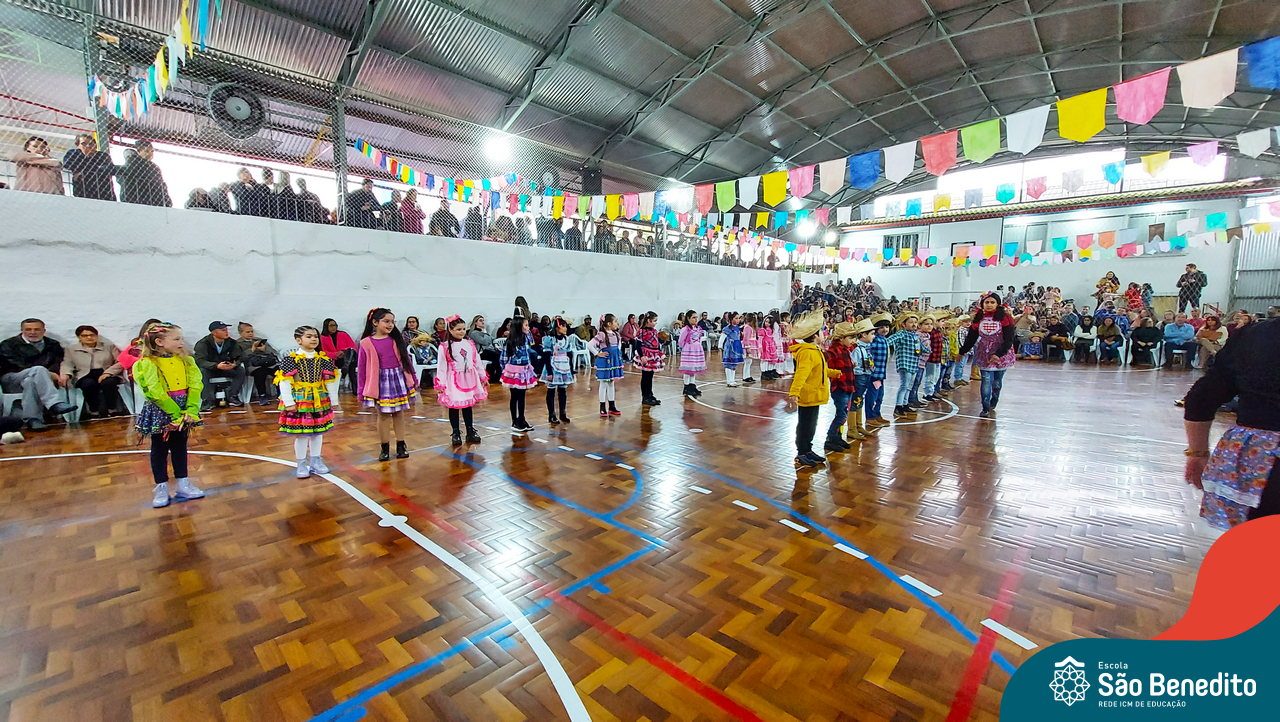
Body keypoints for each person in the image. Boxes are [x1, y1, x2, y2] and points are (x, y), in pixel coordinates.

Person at [1183, 317, 1279, 529]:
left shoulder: (1256, 335)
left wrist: (1198, 453)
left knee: (1262, 540)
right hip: (1265, 462)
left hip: (1264, 465)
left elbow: (1201, 398)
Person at [132, 323, 205, 508]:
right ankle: (161, 487)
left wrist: (191, 409)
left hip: (184, 408)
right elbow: (154, 391)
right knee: (159, 448)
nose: (182, 342)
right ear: (159, 342)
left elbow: (195, 384)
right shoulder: (147, 363)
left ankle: (183, 483)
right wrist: (175, 413)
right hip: (162, 408)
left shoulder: (187, 361)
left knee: (180, 446)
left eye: (182, 338)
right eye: (176, 339)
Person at [277, 326, 340, 478]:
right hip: (301, 400)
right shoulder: (291, 360)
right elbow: (284, 382)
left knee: (317, 433)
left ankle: (316, 461)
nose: (313, 339)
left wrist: (333, 399)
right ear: (298, 340)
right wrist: (289, 402)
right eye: (309, 336)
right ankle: (301, 463)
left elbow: (329, 381)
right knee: (302, 434)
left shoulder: (324, 359)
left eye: (315, 336)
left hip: (318, 399)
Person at [358, 308, 417, 462]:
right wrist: (361, 389)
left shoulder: (396, 340)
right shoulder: (366, 343)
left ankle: (401, 445)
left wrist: (413, 378)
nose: (390, 324)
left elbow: (406, 360)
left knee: (398, 413)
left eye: (392, 321)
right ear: (375, 322)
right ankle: (384, 447)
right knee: (383, 415)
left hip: (397, 378)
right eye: (386, 321)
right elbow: (362, 367)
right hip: (380, 381)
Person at [784, 311, 839, 469]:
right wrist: (794, 393)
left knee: (812, 425)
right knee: (805, 425)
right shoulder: (808, 353)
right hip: (808, 395)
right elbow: (801, 374)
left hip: (815, 395)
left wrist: (834, 373)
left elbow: (820, 370)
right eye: (821, 332)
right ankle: (801, 453)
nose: (823, 334)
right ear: (815, 335)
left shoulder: (815, 351)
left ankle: (808, 449)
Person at [0, 319, 76, 430]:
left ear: (43, 331)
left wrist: (55, 373)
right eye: (28, 329)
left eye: (36, 329)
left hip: (40, 380)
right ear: (22, 330)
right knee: (38, 370)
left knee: (30, 382)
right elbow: (15, 364)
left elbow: (57, 361)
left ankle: (33, 420)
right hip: (12, 378)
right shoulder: (8, 344)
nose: (32, 332)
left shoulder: (52, 344)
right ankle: (54, 403)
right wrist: (48, 373)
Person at [957, 292, 1017, 418]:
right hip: (984, 353)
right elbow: (971, 338)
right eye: (987, 302)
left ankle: (994, 401)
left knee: (997, 382)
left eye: (992, 302)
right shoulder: (978, 318)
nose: (989, 305)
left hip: (1002, 353)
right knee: (985, 380)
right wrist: (962, 352)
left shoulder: (1005, 318)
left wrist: (999, 354)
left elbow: (1009, 338)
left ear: (997, 304)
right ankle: (985, 406)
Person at [435, 314, 487, 445]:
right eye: (458, 329)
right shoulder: (445, 346)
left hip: (469, 378)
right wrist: (440, 384)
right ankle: (456, 432)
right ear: (450, 330)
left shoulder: (469, 343)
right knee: (454, 407)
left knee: (467, 406)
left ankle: (470, 430)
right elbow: (441, 367)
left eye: (463, 329)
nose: (462, 332)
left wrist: (482, 376)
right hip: (453, 381)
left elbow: (476, 361)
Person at [60, 325, 126, 419]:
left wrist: (108, 373)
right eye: (84, 336)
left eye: (92, 335)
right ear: (79, 337)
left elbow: (120, 362)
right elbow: (67, 363)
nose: (89, 337)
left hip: (106, 372)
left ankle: (112, 409)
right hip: (84, 374)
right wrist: (65, 374)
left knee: (109, 383)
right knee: (88, 384)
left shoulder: (109, 347)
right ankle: (94, 411)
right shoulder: (71, 350)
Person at [498, 310, 538, 432]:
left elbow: (530, 347)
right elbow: (503, 358)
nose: (528, 327)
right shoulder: (510, 341)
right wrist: (505, 371)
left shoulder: (526, 338)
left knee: (522, 397)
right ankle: (514, 421)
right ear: (519, 326)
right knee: (515, 396)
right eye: (526, 325)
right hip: (513, 372)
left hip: (524, 370)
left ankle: (522, 419)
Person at [193, 321, 246, 411]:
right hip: (211, 369)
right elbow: (200, 361)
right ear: (214, 333)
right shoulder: (203, 344)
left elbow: (240, 356)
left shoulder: (232, 342)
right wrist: (216, 365)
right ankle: (207, 400)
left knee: (240, 370)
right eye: (223, 330)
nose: (226, 332)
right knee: (202, 372)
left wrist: (234, 364)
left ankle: (233, 396)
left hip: (227, 368)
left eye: (226, 329)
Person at [823, 321, 858, 452]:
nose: (852, 341)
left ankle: (837, 437)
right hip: (840, 387)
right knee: (841, 415)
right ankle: (830, 438)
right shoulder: (835, 350)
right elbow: (826, 356)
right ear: (841, 338)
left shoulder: (845, 349)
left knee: (843, 413)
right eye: (850, 338)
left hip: (848, 386)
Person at [886, 312, 924, 419]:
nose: (914, 324)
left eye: (915, 322)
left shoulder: (915, 336)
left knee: (909, 386)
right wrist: (882, 344)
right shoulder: (901, 334)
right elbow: (890, 340)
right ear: (903, 324)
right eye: (911, 322)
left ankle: (905, 403)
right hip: (904, 363)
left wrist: (928, 351)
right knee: (904, 385)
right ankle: (898, 406)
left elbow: (921, 347)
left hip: (913, 363)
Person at [588, 314, 626, 418]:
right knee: (603, 384)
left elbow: (618, 346)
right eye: (615, 322)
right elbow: (589, 345)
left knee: (611, 383)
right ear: (609, 324)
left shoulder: (616, 334)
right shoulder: (601, 335)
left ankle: (612, 406)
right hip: (605, 362)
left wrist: (616, 354)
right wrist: (597, 353)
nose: (617, 324)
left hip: (613, 361)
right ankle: (602, 407)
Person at [62, 133, 117, 200]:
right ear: (78, 145)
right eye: (84, 144)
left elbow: (110, 169)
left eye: (91, 144)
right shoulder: (73, 153)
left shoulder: (102, 156)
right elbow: (68, 164)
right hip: (82, 193)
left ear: (95, 146)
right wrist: (96, 167)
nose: (88, 146)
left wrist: (83, 171)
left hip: (105, 193)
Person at [541, 317, 575, 424]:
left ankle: (563, 413)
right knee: (551, 391)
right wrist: (549, 372)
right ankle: (551, 415)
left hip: (564, 366)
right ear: (557, 327)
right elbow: (546, 356)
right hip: (553, 366)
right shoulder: (550, 340)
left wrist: (571, 369)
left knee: (563, 391)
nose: (565, 328)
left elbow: (569, 354)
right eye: (563, 326)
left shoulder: (567, 339)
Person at [118, 140, 171, 207]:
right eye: (146, 151)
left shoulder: (153, 167)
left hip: (139, 200)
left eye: (152, 151)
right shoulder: (135, 163)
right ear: (139, 152)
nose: (150, 154)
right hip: (147, 200)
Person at [236, 323, 279, 403]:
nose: (250, 333)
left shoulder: (259, 340)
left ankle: (281, 394)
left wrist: (264, 349)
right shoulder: (238, 343)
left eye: (251, 331)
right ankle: (262, 395)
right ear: (240, 333)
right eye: (247, 332)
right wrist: (252, 350)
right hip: (253, 365)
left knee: (279, 372)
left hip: (267, 363)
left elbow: (273, 352)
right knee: (260, 373)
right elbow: (240, 357)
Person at [865, 313, 892, 426]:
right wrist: (871, 368)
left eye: (887, 327)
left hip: (881, 375)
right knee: (872, 396)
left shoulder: (884, 339)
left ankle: (877, 414)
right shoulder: (875, 339)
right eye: (881, 327)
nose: (885, 329)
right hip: (874, 374)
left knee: (880, 396)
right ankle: (870, 416)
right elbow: (868, 351)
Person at [635, 311, 665, 407]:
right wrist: (642, 356)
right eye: (654, 321)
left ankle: (650, 394)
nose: (656, 323)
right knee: (645, 376)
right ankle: (645, 396)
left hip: (653, 354)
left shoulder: (654, 331)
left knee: (650, 376)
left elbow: (656, 343)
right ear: (649, 320)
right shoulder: (641, 331)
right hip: (646, 355)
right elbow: (638, 345)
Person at [678, 310, 707, 398]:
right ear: (688, 318)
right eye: (693, 317)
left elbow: (699, 338)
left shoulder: (698, 328)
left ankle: (692, 385)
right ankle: (687, 387)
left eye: (696, 317)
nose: (695, 319)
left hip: (696, 349)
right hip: (688, 350)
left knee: (693, 369)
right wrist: (683, 348)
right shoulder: (686, 329)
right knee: (688, 369)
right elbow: (681, 340)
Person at [467, 315, 502, 383]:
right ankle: (493, 377)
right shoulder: (474, 333)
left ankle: (497, 375)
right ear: (475, 323)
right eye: (480, 320)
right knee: (497, 356)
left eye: (483, 320)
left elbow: (492, 339)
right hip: (481, 352)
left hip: (488, 350)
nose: (483, 322)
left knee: (500, 354)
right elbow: (484, 342)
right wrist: (485, 334)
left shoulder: (482, 331)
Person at [720, 313, 744, 387]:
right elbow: (722, 337)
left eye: (738, 318)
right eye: (736, 318)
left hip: (736, 347)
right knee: (728, 364)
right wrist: (720, 345)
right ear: (731, 319)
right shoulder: (727, 328)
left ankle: (732, 380)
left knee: (734, 364)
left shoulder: (737, 328)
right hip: (730, 347)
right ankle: (729, 381)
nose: (738, 320)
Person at [741, 313, 759, 384]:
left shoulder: (750, 327)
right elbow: (746, 338)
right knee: (747, 361)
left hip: (752, 345)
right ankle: (745, 376)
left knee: (749, 362)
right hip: (748, 345)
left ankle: (747, 375)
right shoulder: (747, 327)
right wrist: (747, 347)